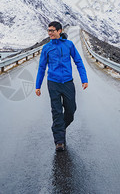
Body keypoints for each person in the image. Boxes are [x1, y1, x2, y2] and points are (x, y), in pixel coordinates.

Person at [35, 21, 88, 152]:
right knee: (57, 111)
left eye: (52, 30)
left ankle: (59, 128)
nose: (50, 33)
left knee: (71, 110)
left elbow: (78, 61)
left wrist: (84, 79)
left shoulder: (69, 45)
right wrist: (38, 86)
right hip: (53, 83)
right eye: (48, 31)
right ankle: (59, 141)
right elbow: (42, 67)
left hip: (68, 82)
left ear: (60, 31)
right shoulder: (46, 48)